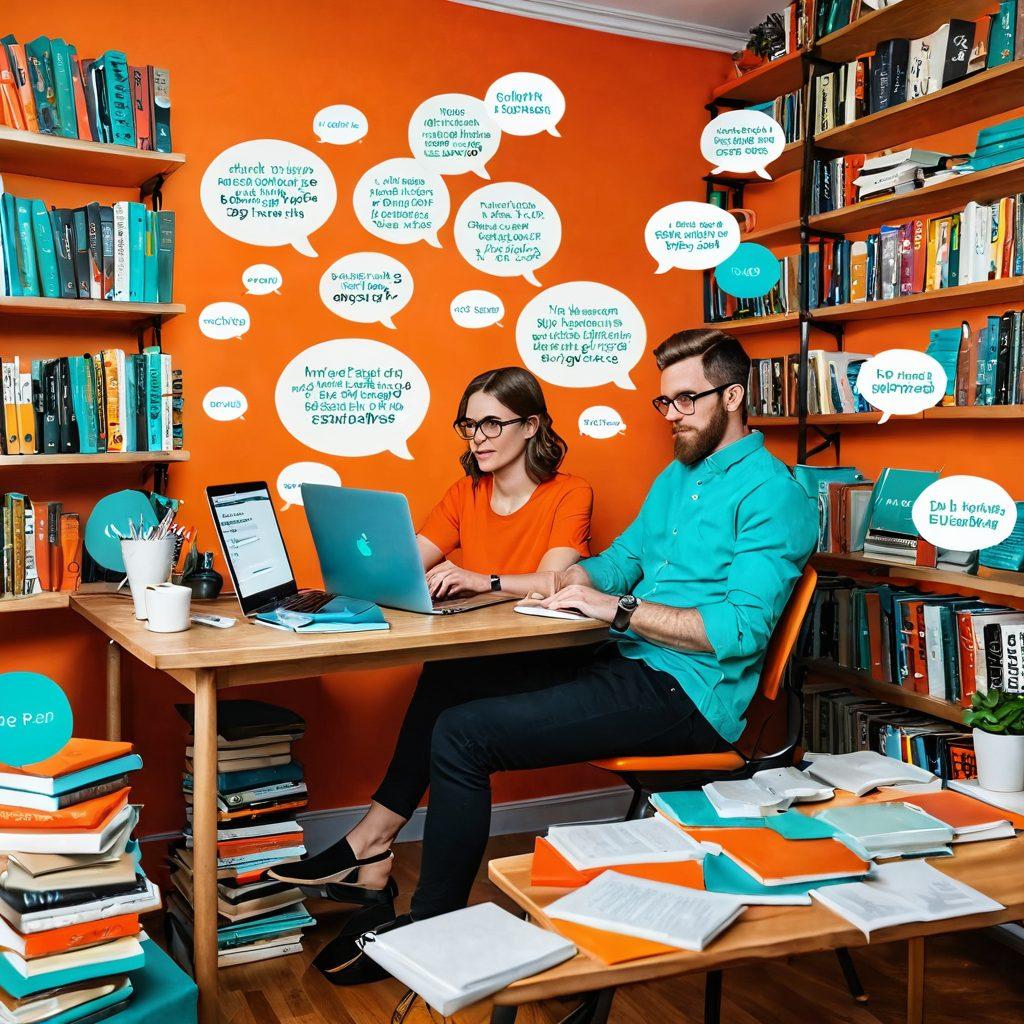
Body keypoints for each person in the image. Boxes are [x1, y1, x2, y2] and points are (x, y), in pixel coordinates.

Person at [305, 328, 818, 985]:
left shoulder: (772, 494)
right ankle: (373, 841)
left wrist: (618, 609)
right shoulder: (679, 477)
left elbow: (740, 631)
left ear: (734, 396)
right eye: (664, 404)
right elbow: (623, 561)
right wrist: (579, 582)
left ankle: (433, 928)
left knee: (463, 737)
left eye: (686, 401)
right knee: (454, 675)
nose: (672, 417)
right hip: (627, 658)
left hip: (688, 695)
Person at [270, 365, 593, 898]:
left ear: (531, 425)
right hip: (480, 655)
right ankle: (372, 849)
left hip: (547, 657)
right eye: (468, 426)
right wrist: (349, 580)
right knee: (448, 676)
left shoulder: (569, 493)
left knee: (447, 684)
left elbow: (558, 579)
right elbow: (405, 563)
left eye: (492, 424)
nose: (478, 438)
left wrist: (479, 578)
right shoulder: (465, 492)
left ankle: (370, 844)